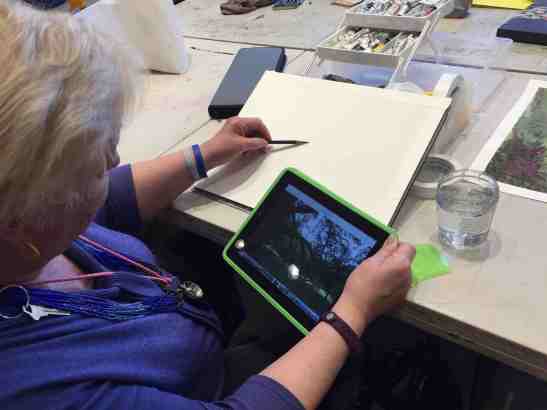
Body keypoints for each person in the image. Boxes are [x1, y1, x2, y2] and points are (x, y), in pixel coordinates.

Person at [0, 2, 415, 409]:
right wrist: (351, 313)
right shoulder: (40, 390)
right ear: (21, 220)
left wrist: (204, 155)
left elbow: (112, 198)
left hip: (202, 334)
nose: (114, 162)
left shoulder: (28, 234)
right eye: (95, 166)